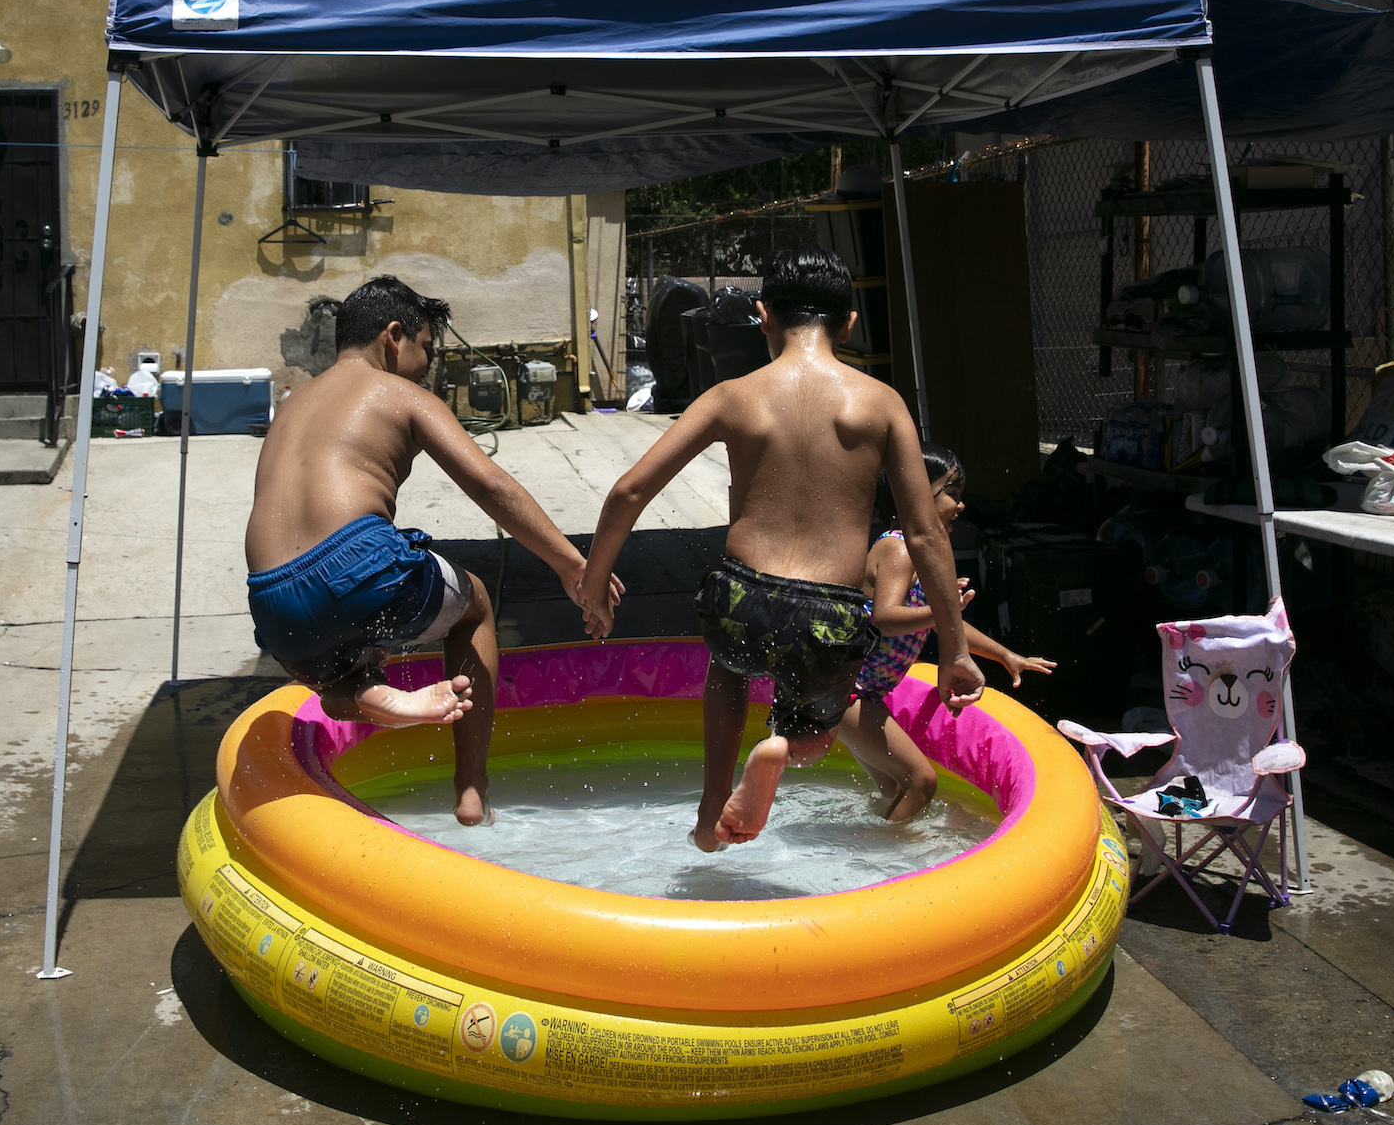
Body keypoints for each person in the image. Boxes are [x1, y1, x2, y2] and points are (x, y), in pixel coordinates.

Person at [578, 245, 982, 851]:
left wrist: (594, 585)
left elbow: (629, 490)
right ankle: (784, 747)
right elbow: (924, 534)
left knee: (730, 664)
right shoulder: (880, 402)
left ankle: (710, 807)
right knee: (819, 733)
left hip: (738, 596)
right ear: (848, 324)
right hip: (829, 610)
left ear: (762, 316)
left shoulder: (732, 395)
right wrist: (954, 649)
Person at [245, 274, 617, 826]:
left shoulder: (294, 404)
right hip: (356, 562)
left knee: (333, 685)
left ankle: (368, 694)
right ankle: (471, 787)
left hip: (271, 600)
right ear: (394, 337)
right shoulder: (400, 392)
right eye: (427, 349)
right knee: (476, 605)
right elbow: (492, 486)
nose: (429, 365)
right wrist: (572, 563)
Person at [831, 444, 1057, 822]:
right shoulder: (898, 549)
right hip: (846, 692)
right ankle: (885, 862)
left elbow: (946, 624)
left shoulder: (921, 555)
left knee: (894, 789)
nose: (961, 505)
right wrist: (939, 606)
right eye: (952, 493)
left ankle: (882, 850)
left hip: (860, 693)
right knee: (921, 783)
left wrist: (1004, 655)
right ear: (916, 496)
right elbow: (885, 617)